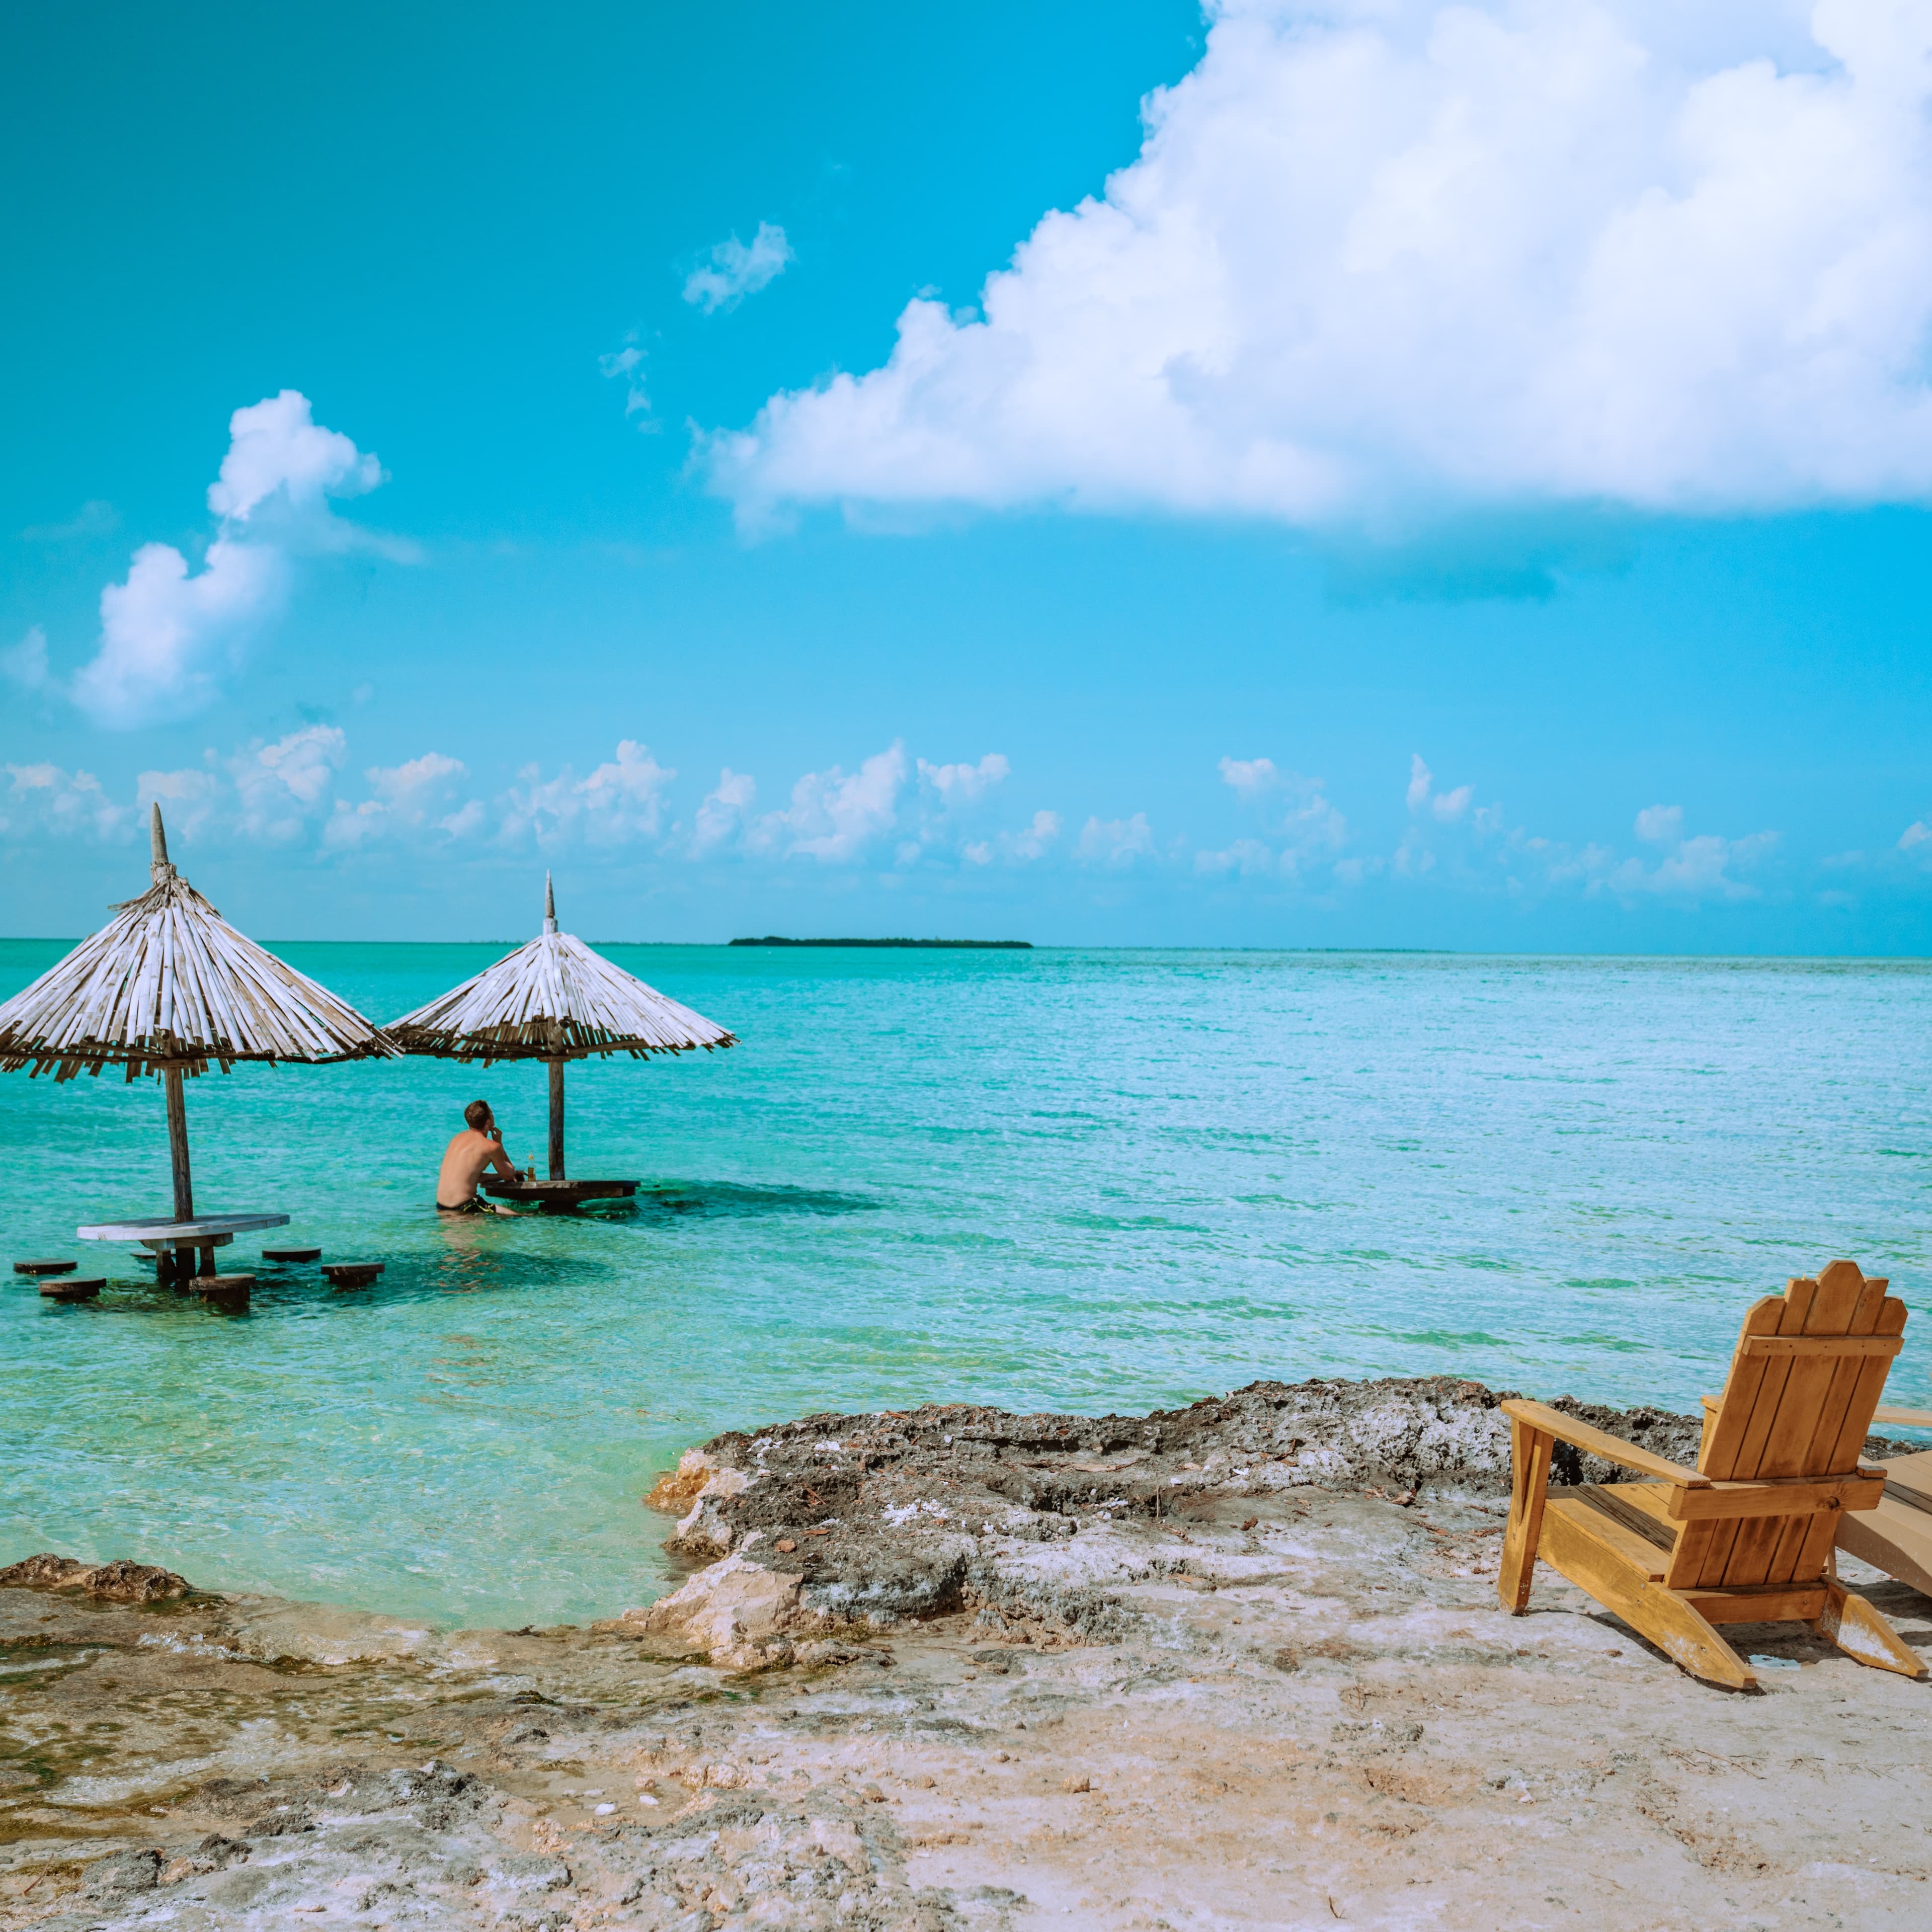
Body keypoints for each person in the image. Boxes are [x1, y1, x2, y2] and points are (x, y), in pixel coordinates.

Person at [436, 1100, 524, 1215]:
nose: (493, 1116)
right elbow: (509, 1175)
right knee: (521, 1217)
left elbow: (472, 1178)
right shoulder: (492, 1147)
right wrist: (499, 1143)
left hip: (442, 1206)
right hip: (466, 1207)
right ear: (488, 1122)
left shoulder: (456, 1139)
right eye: (492, 1114)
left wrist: (499, 1176)